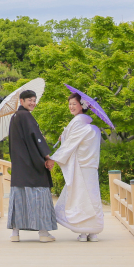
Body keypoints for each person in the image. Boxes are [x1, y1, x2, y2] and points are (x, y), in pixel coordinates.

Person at [50, 92, 104, 242]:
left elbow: (70, 145)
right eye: (70, 104)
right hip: (90, 167)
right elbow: (74, 141)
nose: (71, 107)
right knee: (92, 196)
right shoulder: (89, 125)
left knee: (81, 196)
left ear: (82, 106)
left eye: (74, 104)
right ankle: (93, 232)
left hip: (81, 167)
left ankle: (84, 231)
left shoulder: (78, 122)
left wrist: (53, 158)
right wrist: (65, 137)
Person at [7, 89, 57, 243]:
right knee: (39, 196)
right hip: (32, 165)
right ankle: (43, 233)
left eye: (34, 100)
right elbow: (37, 139)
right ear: (21, 101)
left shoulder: (15, 117)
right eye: (29, 100)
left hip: (19, 166)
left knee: (18, 198)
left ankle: (15, 234)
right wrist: (48, 157)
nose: (33, 103)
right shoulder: (26, 116)